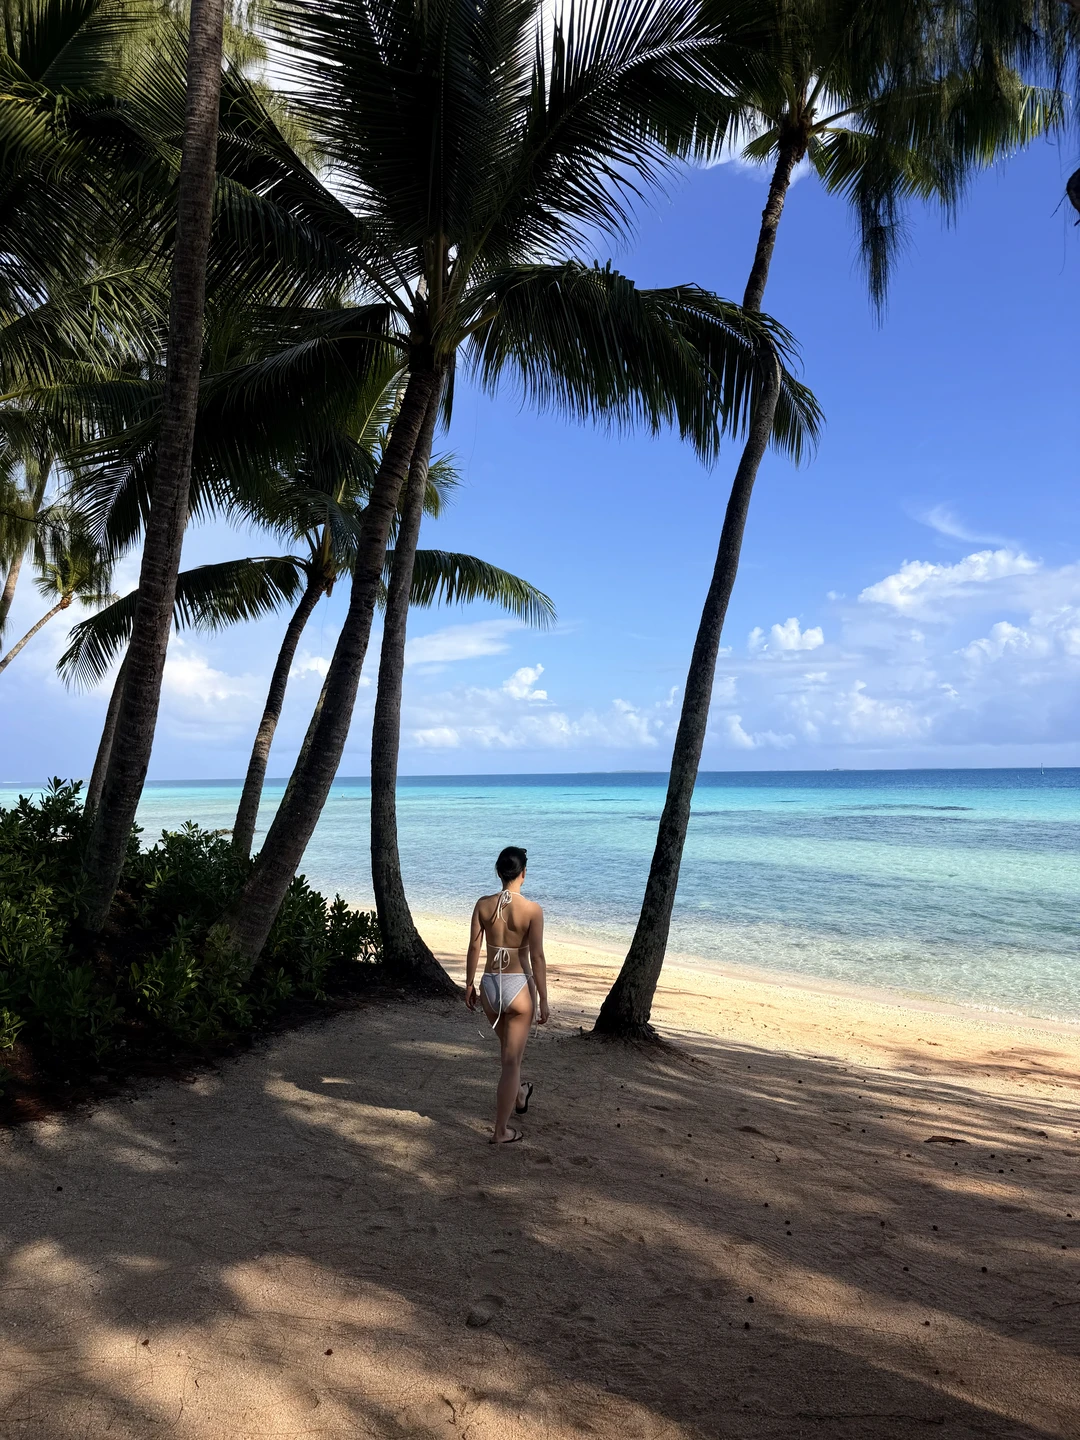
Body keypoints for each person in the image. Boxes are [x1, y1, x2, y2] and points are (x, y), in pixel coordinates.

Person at [465, 845, 549, 1144]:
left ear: (499, 872)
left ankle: (520, 1094)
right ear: (523, 874)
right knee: (510, 1062)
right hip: (517, 987)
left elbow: (475, 947)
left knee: (509, 1054)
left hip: (490, 985)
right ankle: (501, 1131)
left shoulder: (483, 905)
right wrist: (544, 998)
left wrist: (469, 984)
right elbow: (537, 958)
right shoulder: (532, 910)